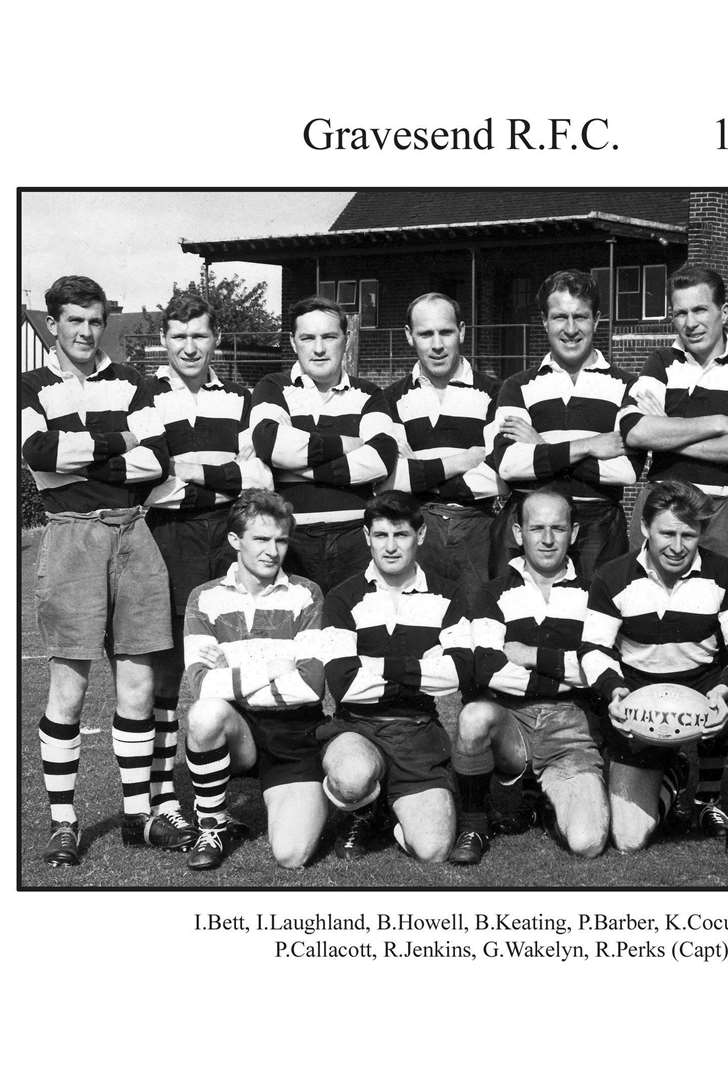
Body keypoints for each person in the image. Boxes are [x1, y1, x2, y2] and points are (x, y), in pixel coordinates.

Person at [20, 274, 195, 865]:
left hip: (133, 533)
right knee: (68, 684)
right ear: (53, 323)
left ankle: (138, 816)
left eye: (95, 320)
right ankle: (63, 822)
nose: (86, 332)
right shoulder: (27, 385)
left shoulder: (134, 383)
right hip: (70, 537)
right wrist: (117, 442)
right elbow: (37, 455)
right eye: (74, 320)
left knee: (139, 682)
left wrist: (82, 449)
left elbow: (157, 460)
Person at [581, 481, 728, 868]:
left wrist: (724, 691)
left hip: (704, 687)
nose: (677, 546)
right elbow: (593, 649)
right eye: (667, 533)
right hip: (638, 690)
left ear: (701, 534)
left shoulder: (724, 573)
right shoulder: (612, 576)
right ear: (645, 528)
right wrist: (616, 693)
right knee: (628, 839)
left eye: (688, 535)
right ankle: (674, 769)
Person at [144, 293, 272, 834]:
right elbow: (148, 477)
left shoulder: (240, 398)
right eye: (178, 336)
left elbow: (260, 477)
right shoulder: (144, 396)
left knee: (242, 651)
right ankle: (162, 794)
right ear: (164, 341)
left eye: (199, 335)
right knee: (168, 669)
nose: (189, 347)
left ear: (215, 338)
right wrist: (221, 471)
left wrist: (189, 469)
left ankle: (251, 767)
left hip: (225, 536)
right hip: (167, 538)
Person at [449, 489, 608, 864]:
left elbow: (601, 666)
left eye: (558, 528)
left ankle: (544, 800)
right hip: (512, 722)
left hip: (570, 726)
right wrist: (567, 669)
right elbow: (488, 669)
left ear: (575, 531)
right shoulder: (492, 593)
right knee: (474, 717)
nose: (548, 539)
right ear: (519, 533)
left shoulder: (595, 593)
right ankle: (474, 823)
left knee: (587, 843)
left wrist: (531, 656)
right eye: (537, 528)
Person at [315, 492, 472, 862]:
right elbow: (344, 684)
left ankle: (386, 808)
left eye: (400, 535)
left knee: (432, 851)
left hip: (417, 729)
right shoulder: (342, 598)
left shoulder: (448, 596)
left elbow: (458, 673)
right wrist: (422, 665)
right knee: (352, 778)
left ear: (420, 535)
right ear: (367, 537)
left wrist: (375, 666)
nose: (390, 547)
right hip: (356, 726)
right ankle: (362, 810)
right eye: (381, 535)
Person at [180, 490, 328, 870]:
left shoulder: (306, 594)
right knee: (205, 714)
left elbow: (311, 685)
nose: (272, 551)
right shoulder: (204, 598)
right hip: (240, 733)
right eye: (261, 539)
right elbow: (200, 685)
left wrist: (231, 663)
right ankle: (213, 824)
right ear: (235, 541)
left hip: (295, 735)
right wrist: (276, 666)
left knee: (291, 855)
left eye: (280, 540)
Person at [620, 264, 728, 569]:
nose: (690, 323)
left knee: (726, 607)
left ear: (725, 312)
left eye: (700, 310)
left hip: (727, 512)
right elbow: (633, 430)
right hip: (662, 506)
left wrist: (667, 435)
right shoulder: (660, 362)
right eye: (681, 313)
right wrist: (717, 423)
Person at [489, 270, 642, 579]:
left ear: (597, 320)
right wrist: (589, 446)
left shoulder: (627, 386)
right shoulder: (517, 386)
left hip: (598, 528)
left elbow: (626, 471)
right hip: (531, 522)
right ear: (544, 321)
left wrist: (541, 446)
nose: (571, 329)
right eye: (560, 317)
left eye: (580, 317)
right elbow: (508, 465)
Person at [249, 296, 399, 594]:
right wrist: (345, 443)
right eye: (307, 338)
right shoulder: (273, 386)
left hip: (355, 537)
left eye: (329, 337)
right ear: (293, 343)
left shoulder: (368, 394)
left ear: (346, 339)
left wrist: (297, 468)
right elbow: (269, 442)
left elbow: (381, 459)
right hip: (291, 537)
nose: (319, 349)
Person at [382, 292, 505, 596]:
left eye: (446, 332)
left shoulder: (496, 393)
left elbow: (499, 476)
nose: (437, 345)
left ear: (461, 331)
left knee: (479, 621)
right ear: (410, 336)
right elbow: (389, 478)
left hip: (479, 526)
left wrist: (421, 475)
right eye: (426, 334)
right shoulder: (389, 399)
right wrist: (465, 460)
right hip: (416, 526)